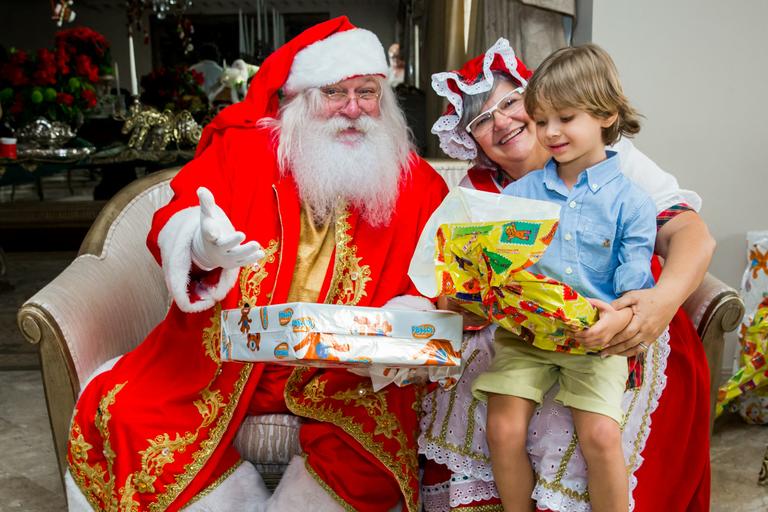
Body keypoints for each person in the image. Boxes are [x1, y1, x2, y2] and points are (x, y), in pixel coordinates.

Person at [65, 17, 448, 512]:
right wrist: (204, 249)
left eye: (367, 92)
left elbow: (434, 276)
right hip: (228, 357)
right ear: (304, 97)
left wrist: (404, 322)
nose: (353, 109)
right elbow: (175, 218)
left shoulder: (415, 182)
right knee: (133, 416)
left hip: (344, 374)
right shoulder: (243, 151)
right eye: (335, 92)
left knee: (365, 459)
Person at [420, 38, 715, 512]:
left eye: (510, 102)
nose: (502, 122)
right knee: (481, 402)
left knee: (599, 430)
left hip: (616, 315)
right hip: (524, 331)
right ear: (469, 137)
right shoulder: (480, 192)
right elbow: (452, 280)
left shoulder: (621, 171)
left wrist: (656, 304)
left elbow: (690, 236)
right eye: (480, 119)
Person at [473, 43, 656, 512]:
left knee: (600, 434)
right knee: (503, 427)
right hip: (527, 335)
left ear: (607, 114)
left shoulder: (633, 203)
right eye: (541, 120)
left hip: (596, 339)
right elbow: (498, 268)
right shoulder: (519, 194)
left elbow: (636, 285)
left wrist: (615, 319)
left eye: (566, 118)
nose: (550, 133)